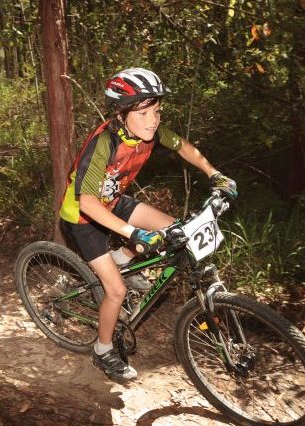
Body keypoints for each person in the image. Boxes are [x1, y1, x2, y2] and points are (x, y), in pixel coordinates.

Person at [58, 67, 237, 383]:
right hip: (83, 216)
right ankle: (102, 349)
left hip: (114, 202)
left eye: (156, 111)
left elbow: (183, 147)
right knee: (116, 291)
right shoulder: (103, 144)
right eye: (143, 113)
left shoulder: (149, 132)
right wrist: (132, 233)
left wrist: (214, 174)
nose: (153, 120)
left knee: (176, 229)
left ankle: (121, 260)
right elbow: (87, 202)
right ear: (121, 113)